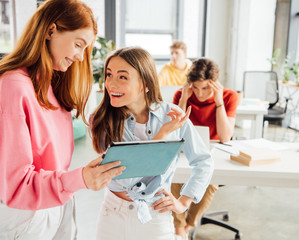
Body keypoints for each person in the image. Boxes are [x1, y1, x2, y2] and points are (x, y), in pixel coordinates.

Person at [0, 0, 126, 239]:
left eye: (85, 49)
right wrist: (80, 179)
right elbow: (16, 186)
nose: (80, 57)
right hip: (27, 214)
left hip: (60, 202)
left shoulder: (51, 86)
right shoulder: (13, 86)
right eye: (78, 45)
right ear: (50, 30)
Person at [91, 47, 214, 240]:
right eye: (109, 75)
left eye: (123, 77)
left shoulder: (173, 115)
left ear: (145, 84)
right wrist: (163, 134)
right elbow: (130, 176)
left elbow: (203, 162)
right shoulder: (102, 120)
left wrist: (183, 203)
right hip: (113, 213)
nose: (111, 84)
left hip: (155, 213)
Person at [172, 57, 238, 239]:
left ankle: (187, 225)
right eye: (196, 87)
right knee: (173, 178)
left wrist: (219, 102)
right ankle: (179, 228)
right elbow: (174, 133)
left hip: (214, 154)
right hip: (186, 151)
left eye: (206, 88)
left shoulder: (229, 96)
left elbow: (225, 137)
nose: (200, 94)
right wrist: (184, 99)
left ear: (215, 84)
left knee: (208, 182)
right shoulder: (182, 94)